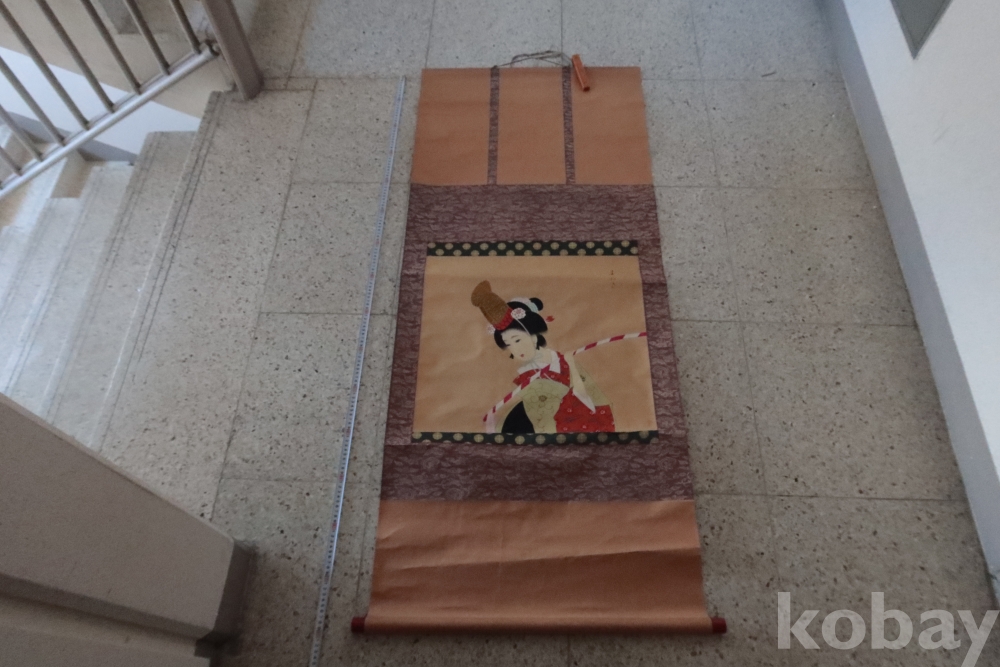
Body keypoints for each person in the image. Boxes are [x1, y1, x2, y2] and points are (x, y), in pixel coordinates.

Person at [471, 280, 615, 434]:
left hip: (591, 418)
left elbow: (592, 395)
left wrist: (572, 366)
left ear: (533, 336)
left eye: (517, 340)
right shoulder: (526, 375)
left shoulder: (563, 359)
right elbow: (540, 417)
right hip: (557, 427)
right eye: (509, 344)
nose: (516, 349)